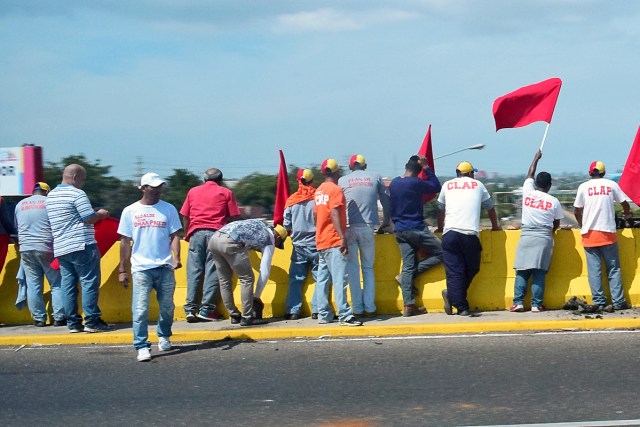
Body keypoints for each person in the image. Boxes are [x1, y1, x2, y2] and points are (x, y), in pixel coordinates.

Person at [118, 172, 183, 362]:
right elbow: (125, 241)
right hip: (141, 267)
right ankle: (141, 345)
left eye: (160, 186)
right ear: (143, 188)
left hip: (164, 265)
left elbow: (175, 235)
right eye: (153, 187)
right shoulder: (130, 211)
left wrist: (176, 257)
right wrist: (122, 269)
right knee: (140, 309)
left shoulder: (168, 209)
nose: (157, 190)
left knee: (167, 307)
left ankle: (164, 335)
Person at [46, 164, 112, 333]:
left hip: (61, 247)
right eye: (82, 179)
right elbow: (89, 218)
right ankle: (92, 320)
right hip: (82, 244)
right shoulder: (77, 193)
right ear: (75, 177)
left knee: (68, 285)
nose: (83, 183)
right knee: (89, 282)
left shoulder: (51, 196)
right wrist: (101, 215)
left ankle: (73, 323)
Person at [437, 161, 501, 316]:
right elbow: (490, 208)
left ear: (457, 173)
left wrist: (440, 228)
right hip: (469, 235)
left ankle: (452, 295)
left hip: (450, 234)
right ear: (471, 173)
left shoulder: (447, 185)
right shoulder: (478, 185)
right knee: (471, 269)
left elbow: (440, 209)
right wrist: (495, 226)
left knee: (455, 272)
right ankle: (461, 307)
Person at [180, 168, 240, 323]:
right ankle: (206, 310)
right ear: (221, 179)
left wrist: (188, 234)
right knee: (213, 271)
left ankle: (190, 309)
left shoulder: (193, 192)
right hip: (216, 234)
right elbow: (234, 219)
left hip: (196, 233)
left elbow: (185, 216)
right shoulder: (226, 192)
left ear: (204, 179)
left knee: (194, 271)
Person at [573, 160, 633, 311]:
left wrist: (582, 225)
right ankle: (618, 302)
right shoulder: (611, 185)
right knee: (613, 269)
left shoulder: (583, 187)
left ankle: (599, 302)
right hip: (608, 234)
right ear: (604, 173)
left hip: (589, 235)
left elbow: (577, 210)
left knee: (594, 271)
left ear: (589, 173)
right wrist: (626, 214)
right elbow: (625, 204)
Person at [510, 150, 564, 313]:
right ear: (549, 185)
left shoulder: (528, 192)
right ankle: (536, 304)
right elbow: (557, 222)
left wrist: (535, 158)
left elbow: (529, 174)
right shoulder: (553, 201)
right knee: (539, 272)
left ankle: (518, 303)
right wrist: (550, 233)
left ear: (536, 184)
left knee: (522, 271)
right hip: (544, 237)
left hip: (526, 235)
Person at [389, 155, 443, 316]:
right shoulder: (416, 183)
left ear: (406, 167)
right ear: (418, 171)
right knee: (444, 252)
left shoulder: (394, 183)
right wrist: (427, 168)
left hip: (399, 230)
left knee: (408, 266)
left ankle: (409, 306)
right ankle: (409, 275)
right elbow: (436, 186)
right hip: (416, 228)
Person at [338, 154, 391, 318]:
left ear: (351, 166)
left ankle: (358, 309)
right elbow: (386, 200)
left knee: (353, 269)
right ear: (365, 165)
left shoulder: (342, 181)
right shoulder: (375, 177)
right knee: (368, 268)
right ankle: (370, 307)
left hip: (349, 228)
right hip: (368, 227)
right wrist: (386, 221)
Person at [208, 219, 288, 326]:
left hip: (215, 239)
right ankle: (247, 317)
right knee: (247, 279)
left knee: (224, 280)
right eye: (279, 244)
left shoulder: (259, 225)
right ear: (278, 238)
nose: (276, 246)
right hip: (231, 241)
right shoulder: (270, 240)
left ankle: (234, 315)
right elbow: (264, 271)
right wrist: (256, 296)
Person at [314, 158, 362, 326]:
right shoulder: (335, 190)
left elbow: (317, 215)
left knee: (323, 279)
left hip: (321, 240)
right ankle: (344, 314)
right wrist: (342, 238)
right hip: (334, 239)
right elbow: (334, 214)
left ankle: (324, 314)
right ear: (337, 172)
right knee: (340, 278)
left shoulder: (318, 190)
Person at [14, 182, 65, 327]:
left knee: (33, 284)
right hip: (47, 247)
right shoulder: (50, 202)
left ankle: (39, 319)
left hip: (25, 249)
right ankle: (59, 317)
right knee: (56, 283)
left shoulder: (20, 205)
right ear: (46, 192)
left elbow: (17, 226)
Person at [283, 169, 319, 320]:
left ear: (298, 181)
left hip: (298, 246)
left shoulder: (291, 201)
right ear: (312, 181)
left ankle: (293, 311)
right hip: (317, 245)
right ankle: (317, 309)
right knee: (321, 278)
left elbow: (286, 226)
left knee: (296, 279)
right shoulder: (318, 198)